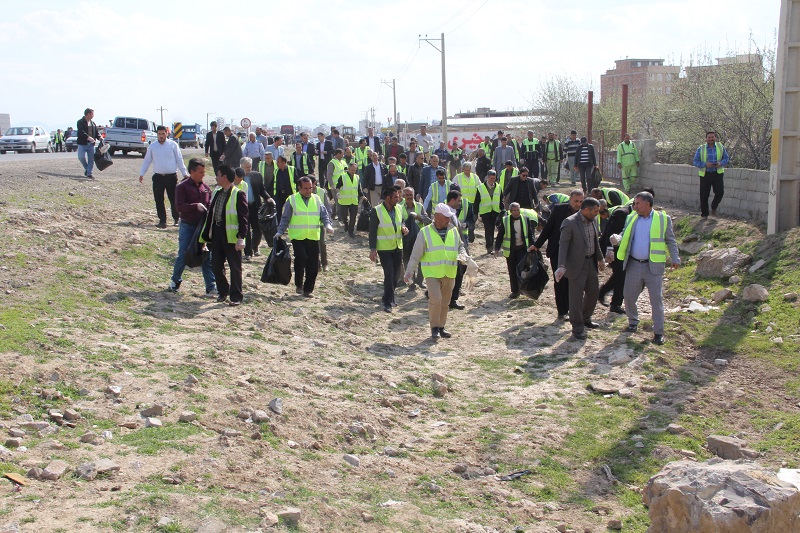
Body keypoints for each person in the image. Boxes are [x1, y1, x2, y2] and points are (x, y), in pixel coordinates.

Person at [616, 191, 680, 345]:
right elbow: (625, 234)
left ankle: (658, 332)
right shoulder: (631, 217)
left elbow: (670, 240)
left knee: (655, 300)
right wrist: (617, 238)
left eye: (637, 203)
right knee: (629, 296)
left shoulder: (663, 219)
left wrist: (675, 257)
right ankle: (633, 322)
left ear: (647, 204)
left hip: (653, 267)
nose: (634, 206)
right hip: (633, 264)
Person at [404, 203, 467, 339]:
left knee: (445, 301)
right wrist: (409, 272)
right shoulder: (425, 232)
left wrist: (463, 256)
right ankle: (434, 328)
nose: (448, 220)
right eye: (446, 218)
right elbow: (416, 254)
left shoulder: (453, 230)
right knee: (436, 299)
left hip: (449, 272)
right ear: (437, 217)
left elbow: (460, 246)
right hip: (432, 273)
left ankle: (441, 327)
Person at [554, 197, 605, 340]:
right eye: (595, 211)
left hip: (591, 263)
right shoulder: (569, 222)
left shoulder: (593, 220)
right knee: (575, 298)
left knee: (593, 293)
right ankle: (577, 326)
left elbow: (595, 242)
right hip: (576, 266)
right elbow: (563, 246)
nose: (597, 214)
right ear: (586, 210)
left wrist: (600, 259)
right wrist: (561, 266)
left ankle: (586, 318)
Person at [275, 176, 334, 297]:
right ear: (299, 188)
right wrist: (280, 231)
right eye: (305, 188)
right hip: (298, 236)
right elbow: (285, 218)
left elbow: (324, 215)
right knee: (301, 258)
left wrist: (328, 225)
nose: (308, 191)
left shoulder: (317, 199)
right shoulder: (291, 200)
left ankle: (308, 289)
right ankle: (299, 284)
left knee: (313, 263)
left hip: (313, 236)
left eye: (310, 188)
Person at [199, 165, 249, 306]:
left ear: (225, 177)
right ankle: (223, 291)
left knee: (235, 267)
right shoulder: (217, 192)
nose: (216, 177)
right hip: (217, 234)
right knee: (216, 265)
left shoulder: (238, 194)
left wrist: (241, 237)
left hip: (231, 237)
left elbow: (243, 218)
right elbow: (211, 216)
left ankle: (236, 296)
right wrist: (205, 236)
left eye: (218, 175)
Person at [532, 189, 585, 320]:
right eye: (576, 201)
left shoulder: (585, 212)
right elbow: (549, 228)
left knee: (573, 282)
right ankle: (562, 311)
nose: (578, 204)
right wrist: (537, 245)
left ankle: (573, 309)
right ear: (570, 200)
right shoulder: (559, 209)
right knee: (560, 281)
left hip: (576, 253)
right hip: (557, 250)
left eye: (581, 201)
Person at [170, 157, 216, 296]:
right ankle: (175, 281)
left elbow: (209, 207)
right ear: (192, 171)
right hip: (188, 226)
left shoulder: (206, 189)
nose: (203, 174)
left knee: (206, 256)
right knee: (184, 253)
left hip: (202, 228)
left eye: (204, 172)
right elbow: (179, 206)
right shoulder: (182, 187)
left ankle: (210, 286)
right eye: (201, 172)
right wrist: (195, 206)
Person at [139, 125, 189, 228]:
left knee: (173, 199)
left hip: (171, 177)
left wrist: (185, 174)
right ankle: (162, 221)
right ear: (157, 134)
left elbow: (179, 160)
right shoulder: (153, 146)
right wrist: (142, 173)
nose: (161, 136)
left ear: (167, 133)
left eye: (163, 134)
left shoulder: (173, 145)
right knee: (159, 199)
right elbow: (147, 161)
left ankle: (176, 219)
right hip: (158, 178)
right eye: (159, 134)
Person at [369, 186, 409, 312]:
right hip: (384, 248)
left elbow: (402, 222)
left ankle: (387, 296)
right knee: (389, 274)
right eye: (396, 197)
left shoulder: (399, 208)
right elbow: (372, 231)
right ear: (388, 198)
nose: (399, 198)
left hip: (398, 246)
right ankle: (388, 303)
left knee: (396, 276)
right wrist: (373, 249)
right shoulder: (377, 211)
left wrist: (404, 228)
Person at [493, 202, 538, 298]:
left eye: (518, 210)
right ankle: (515, 291)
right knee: (512, 270)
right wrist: (496, 248)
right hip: (510, 250)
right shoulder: (505, 221)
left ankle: (522, 288)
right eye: (514, 210)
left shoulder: (525, 219)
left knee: (522, 270)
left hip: (522, 249)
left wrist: (534, 245)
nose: (517, 212)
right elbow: (500, 235)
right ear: (510, 211)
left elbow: (530, 235)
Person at [599, 200, 633, 314]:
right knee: (621, 275)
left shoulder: (633, 216)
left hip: (621, 251)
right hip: (613, 250)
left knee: (621, 275)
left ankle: (605, 295)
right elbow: (610, 233)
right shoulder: (622, 214)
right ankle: (613, 301)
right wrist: (609, 250)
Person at [240, 157, 273, 260]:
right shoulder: (237, 177)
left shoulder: (257, 176)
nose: (249, 169)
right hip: (243, 208)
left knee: (257, 229)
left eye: (250, 167)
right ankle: (248, 252)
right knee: (246, 230)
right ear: (241, 167)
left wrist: (268, 198)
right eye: (247, 167)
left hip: (255, 206)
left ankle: (255, 247)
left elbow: (262, 190)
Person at [693, 131, 729, 218]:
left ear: (715, 138)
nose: (711, 139)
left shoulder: (720, 147)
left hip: (717, 173)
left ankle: (714, 207)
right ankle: (704, 215)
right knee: (704, 195)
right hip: (705, 174)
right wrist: (705, 164)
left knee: (720, 192)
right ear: (706, 139)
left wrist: (720, 163)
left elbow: (726, 158)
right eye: (709, 137)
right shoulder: (701, 149)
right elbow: (695, 161)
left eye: (712, 137)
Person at [446, 190, 472, 310]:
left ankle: (452, 298)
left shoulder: (452, 213)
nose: (460, 203)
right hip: (451, 251)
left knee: (459, 272)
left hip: (458, 248)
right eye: (458, 201)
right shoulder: (447, 214)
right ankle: (451, 299)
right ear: (452, 200)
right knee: (455, 274)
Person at [399, 186, 428, 290]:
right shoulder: (399, 207)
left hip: (419, 237)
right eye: (407, 195)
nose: (409, 197)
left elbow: (427, 220)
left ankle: (420, 280)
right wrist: (403, 227)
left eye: (411, 195)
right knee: (407, 260)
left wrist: (417, 217)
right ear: (403, 196)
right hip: (405, 238)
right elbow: (399, 221)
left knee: (422, 259)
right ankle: (411, 283)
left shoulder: (419, 206)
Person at [475, 170, 502, 254]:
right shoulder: (481, 187)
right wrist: (475, 213)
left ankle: (491, 245)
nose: (492, 180)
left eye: (494, 178)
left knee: (492, 229)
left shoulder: (498, 187)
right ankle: (489, 246)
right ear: (487, 177)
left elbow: (501, 200)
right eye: (491, 178)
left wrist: (502, 210)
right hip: (485, 212)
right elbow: (477, 201)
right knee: (487, 229)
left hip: (495, 211)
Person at [308, 175, 332, 272]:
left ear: (314, 184)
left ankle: (324, 263)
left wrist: (328, 222)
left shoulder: (321, 192)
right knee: (312, 245)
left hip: (320, 224)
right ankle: (315, 264)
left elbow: (327, 208)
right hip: (308, 224)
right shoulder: (303, 193)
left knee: (321, 243)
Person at [336, 162, 365, 238]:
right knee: (344, 216)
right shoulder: (342, 177)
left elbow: (358, 189)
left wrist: (362, 196)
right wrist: (338, 193)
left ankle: (351, 231)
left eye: (355, 170)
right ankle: (346, 224)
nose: (353, 171)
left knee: (353, 217)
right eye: (352, 170)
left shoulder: (357, 177)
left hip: (354, 200)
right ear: (348, 168)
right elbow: (338, 186)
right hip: (344, 201)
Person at [271, 156, 298, 223]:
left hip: (289, 194)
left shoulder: (292, 169)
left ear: (284, 162)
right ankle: (279, 226)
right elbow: (272, 182)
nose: (277, 163)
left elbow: (298, 181)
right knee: (278, 210)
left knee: (290, 210)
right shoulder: (276, 171)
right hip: (279, 195)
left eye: (278, 162)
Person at [76, 108, 99, 178]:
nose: (93, 116)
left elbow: (96, 133)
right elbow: (81, 131)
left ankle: (89, 173)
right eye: (92, 114)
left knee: (91, 159)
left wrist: (100, 137)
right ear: (88, 114)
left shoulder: (93, 123)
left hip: (91, 144)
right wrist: (88, 137)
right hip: (82, 143)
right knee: (81, 157)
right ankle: (87, 169)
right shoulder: (80, 122)